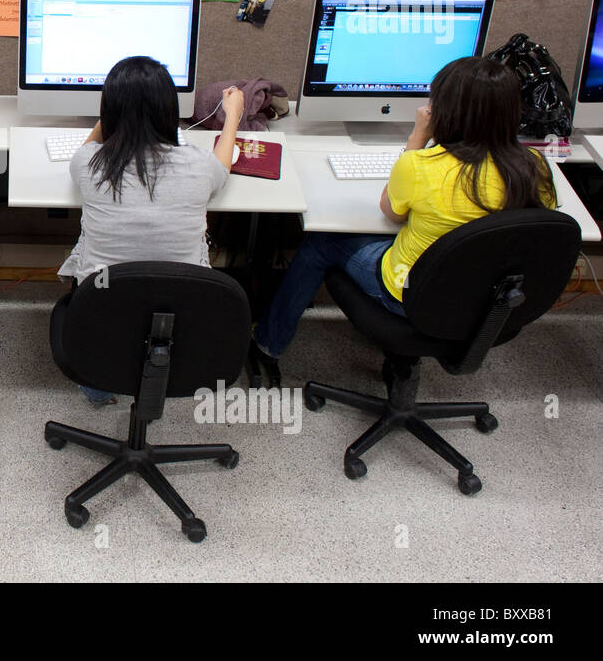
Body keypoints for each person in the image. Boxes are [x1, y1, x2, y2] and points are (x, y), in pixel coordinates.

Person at [249, 57, 557, 385]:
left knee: (321, 240)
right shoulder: (533, 167)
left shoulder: (422, 166)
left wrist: (418, 137)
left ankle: (268, 344)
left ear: (445, 110)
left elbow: (391, 212)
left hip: (412, 294)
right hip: (486, 303)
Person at [58, 58, 245, 404]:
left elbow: (87, 147)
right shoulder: (199, 166)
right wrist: (233, 114)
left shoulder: (88, 164)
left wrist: (116, 114)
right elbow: (223, 164)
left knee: (99, 290)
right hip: (182, 315)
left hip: (101, 311)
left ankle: (96, 384)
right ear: (169, 111)